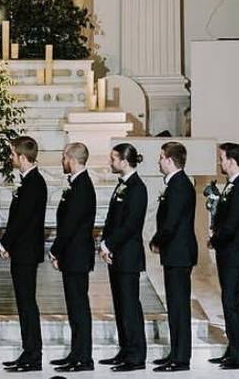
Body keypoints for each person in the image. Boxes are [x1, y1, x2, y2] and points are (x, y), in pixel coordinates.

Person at [0, 136, 47, 373]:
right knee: (23, 302)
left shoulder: (34, 183)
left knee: (27, 302)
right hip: (23, 250)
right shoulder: (28, 181)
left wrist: (5, 243)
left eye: (12, 154)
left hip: (26, 251)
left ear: (22, 156)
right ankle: (28, 351)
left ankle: (33, 354)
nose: (11, 158)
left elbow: (23, 220)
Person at [100, 143, 148, 372]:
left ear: (124, 161)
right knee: (120, 305)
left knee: (130, 306)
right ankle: (125, 349)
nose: (110, 163)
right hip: (116, 254)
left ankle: (136, 355)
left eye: (113, 158)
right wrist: (104, 244)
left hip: (128, 255)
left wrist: (109, 243)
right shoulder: (122, 185)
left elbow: (130, 225)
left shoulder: (138, 188)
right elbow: (113, 218)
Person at [149, 141, 197, 373]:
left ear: (169, 160)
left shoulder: (179, 185)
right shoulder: (176, 184)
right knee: (175, 306)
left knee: (179, 307)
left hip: (179, 254)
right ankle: (175, 353)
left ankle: (181, 358)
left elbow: (171, 222)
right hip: (176, 254)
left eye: (160, 157)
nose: (158, 161)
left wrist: (157, 240)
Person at [50, 142, 97, 373]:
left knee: (79, 307)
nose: (62, 161)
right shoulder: (77, 184)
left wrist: (54, 249)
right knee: (74, 307)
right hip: (73, 255)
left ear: (72, 158)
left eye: (63, 156)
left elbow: (70, 225)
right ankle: (76, 353)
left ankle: (83, 357)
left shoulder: (82, 187)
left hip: (77, 255)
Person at [208, 142, 239, 369]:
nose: (220, 163)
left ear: (231, 161)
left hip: (235, 254)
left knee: (231, 303)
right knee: (231, 303)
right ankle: (233, 348)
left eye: (222, 158)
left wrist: (215, 238)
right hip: (229, 253)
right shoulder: (232, 184)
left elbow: (233, 223)